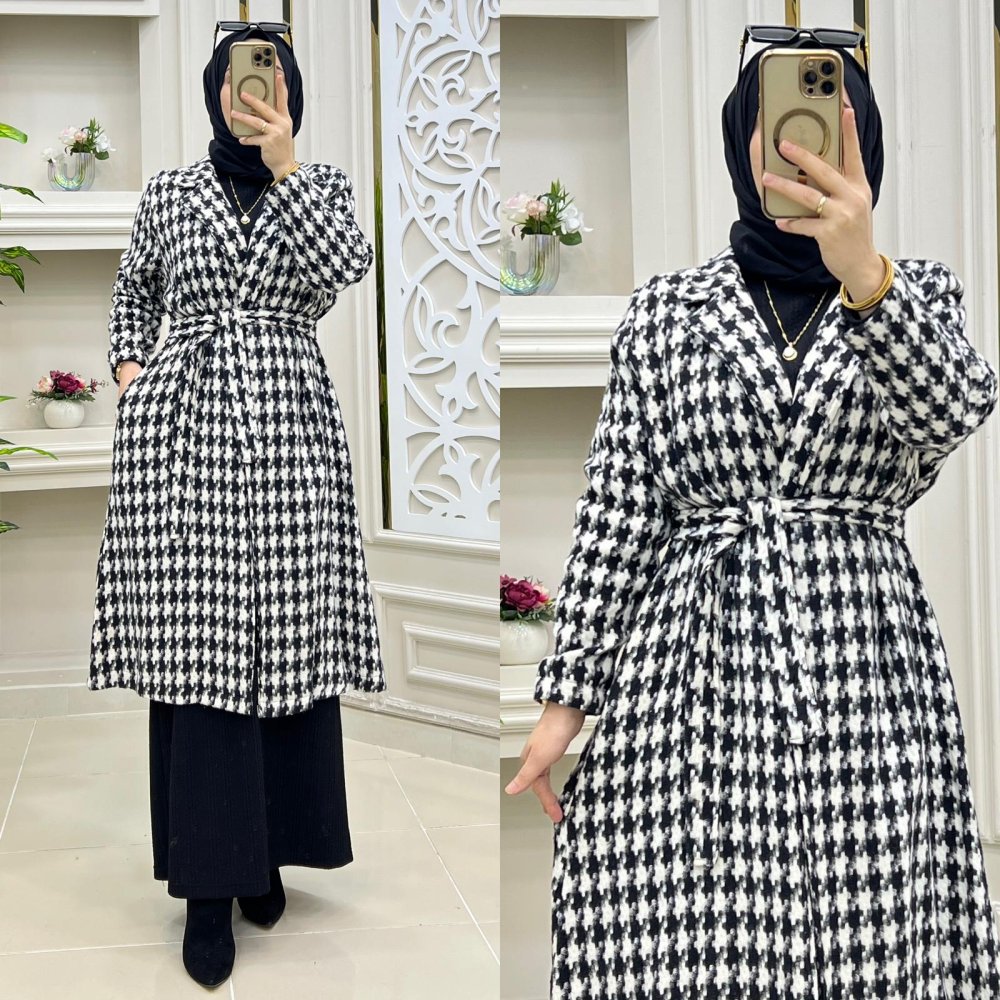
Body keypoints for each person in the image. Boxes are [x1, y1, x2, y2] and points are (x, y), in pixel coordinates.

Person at [505, 29, 1000, 999]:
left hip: (865, 671)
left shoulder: (915, 294)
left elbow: (954, 413)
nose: (798, 150)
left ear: (865, 144)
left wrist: (865, 275)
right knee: (693, 934)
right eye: (777, 127)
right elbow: (618, 511)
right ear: (743, 142)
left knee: (868, 932)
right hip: (694, 669)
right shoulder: (668, 313)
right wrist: (565, 705)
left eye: (826, 128)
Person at [87, 22, 386, 988]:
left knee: (286, 640)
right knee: (200, 645)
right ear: (213, 90)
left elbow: (346, 266)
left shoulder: (320, 184)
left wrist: (285, 162)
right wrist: (133, 373)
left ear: (289, 91)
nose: (248, 93)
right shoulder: (170, 193)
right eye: (234, 79)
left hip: (290, 427)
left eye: (267, 78)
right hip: (183, 428)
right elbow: (135, 294)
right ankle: (209, 888)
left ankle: (271, 850)